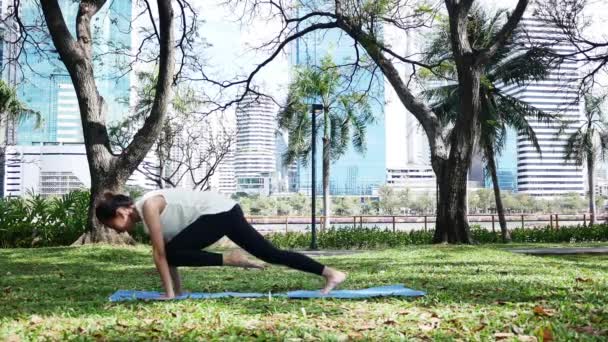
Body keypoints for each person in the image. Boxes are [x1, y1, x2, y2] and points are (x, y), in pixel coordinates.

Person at [96, 188, 347, 299]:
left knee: (170, 252)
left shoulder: (148, 205)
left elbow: (161, 255)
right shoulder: (145, 211)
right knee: (270, 253)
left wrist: (170, 294)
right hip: (225, 212)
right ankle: (331, 273)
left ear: (120, 214)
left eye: (111, 226)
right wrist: (177, 292)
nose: (115, 232)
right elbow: (169, 252)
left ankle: (230, 258)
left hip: (219, 213)